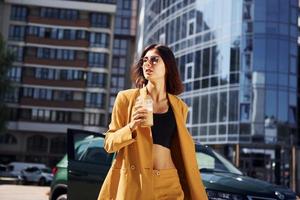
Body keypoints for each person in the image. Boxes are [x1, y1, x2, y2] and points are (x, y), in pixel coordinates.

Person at [98, 44, 208, 200]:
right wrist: (131, 126)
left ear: (168, 67)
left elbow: (178, 146)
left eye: (155, 60)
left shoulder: (179, 106)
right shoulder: (126, 98)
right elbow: (109, 144)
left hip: (169, 180)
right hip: (137, 181)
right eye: (145, 60)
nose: (147, 64)